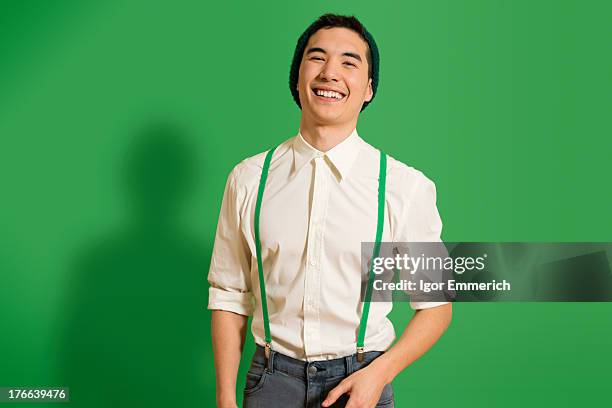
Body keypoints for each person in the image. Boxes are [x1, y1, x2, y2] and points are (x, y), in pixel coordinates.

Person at [207, 13, 452, 408]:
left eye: (349, 62)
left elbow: (436, 305)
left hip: (361, 379)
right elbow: (229, 294)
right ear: (298, 76)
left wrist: (379, 375)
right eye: (317, 58)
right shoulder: (248, 178)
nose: (330, 73)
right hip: (271, 383)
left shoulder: (404, 187)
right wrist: (224, 398)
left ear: (368, 88)